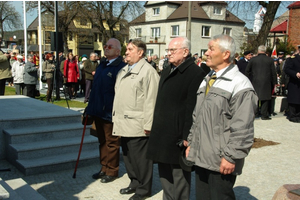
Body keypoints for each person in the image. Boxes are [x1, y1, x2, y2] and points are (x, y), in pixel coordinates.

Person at [186, 34, 258, 200]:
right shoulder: (208, 79)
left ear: (226, 54)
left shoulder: (240, 83)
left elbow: (243, 127)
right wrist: (192, 142)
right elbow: (198, 117)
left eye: (211, 49)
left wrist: (231, 156)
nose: (206, 53)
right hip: (202, 155)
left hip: (221, 159)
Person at [147, 37, 206, 200]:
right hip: (162, 131)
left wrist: (187, 135)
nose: (168, 54)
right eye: (168, 50)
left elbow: (192, 107)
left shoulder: (195, 73)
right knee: (165, 174)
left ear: (185, 52)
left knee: (179, 177)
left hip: (178, 134)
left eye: (173, 50)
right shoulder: (167, 70)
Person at [112, 39, 160, 200]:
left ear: (140, 53)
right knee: (128, 157)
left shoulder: (148, 72)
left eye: (130, 49)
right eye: (127, 49)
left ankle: (144, 189)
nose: (126, 52)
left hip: (138, 124)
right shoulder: (124, 69)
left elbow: (151, 100)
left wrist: (149, 125)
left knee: (141, 160)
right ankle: (134, 182)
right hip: (124, 122)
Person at [86, 38, 126, 183]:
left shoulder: (121, 67)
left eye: (110, 46)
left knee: (112, 143)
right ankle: (104, 167)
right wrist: (89, 109)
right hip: (98, 111)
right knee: (102, 141)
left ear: (117, 50)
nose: (106, 48)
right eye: (105, 46)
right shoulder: (102, 65)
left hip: (110, 112)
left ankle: (112, 170)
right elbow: (95, 90)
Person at [246, 45, 277, 120]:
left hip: (255, 81)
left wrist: (248, 79)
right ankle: (264, 114)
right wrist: (274, 82)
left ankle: (255, 113)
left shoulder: (253, 60)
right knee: (265, 98)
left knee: (255, 98)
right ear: (265, 51)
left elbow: (247, 70)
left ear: (258, 51)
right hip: (266, 81)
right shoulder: (269, 60)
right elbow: (273, 72)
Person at [284, 49, 300, 122]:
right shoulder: (293, 59)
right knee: (294, 99)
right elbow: (287, 69)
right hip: (294, 83)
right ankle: (292, 115)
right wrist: (295, 73)